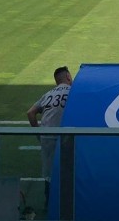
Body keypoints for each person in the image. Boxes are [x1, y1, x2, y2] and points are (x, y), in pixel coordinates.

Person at [27, 66, 72, 209]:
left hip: (47, 136)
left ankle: (49, 203)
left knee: (48, 173)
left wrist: (38, 132)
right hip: (65, 137)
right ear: (69, 77)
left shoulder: (49, 94)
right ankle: (67, 202)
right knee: (68, 168)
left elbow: (30, 113)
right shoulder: (73, 92)